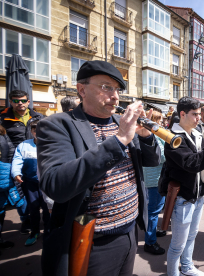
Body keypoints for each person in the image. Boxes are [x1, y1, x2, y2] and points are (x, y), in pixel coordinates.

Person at [37, 60, 161, 276]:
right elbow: (56, 184)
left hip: (130, 230)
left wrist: (147, 137)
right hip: (91, 240)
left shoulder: (120, 121)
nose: (115, 96)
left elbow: (151, 162)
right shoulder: (57, 124)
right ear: (81, 89)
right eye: (106, 87)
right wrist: (120, 138)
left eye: (117, 89)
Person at [159, 97, 204, 276]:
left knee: (191, 235)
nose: (199, 118)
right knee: (178, 243)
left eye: (199, 114)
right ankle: (173, 273)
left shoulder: (196, 133)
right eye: (195, 114)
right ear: (182, 114)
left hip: (198, 194)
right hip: (183, 197)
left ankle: (187, 267)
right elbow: (193, 163)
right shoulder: (172, 137)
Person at [0, 90, 43, 235]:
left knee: (38, 196)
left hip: (34, 158)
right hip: (14, 160)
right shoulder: (3, 118)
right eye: (16, 100)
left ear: (28, 102)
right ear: (10, 101)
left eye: (23, 100)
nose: (20, 103)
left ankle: (41, 221)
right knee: (19, 194)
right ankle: (26, 221)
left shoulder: (38, 117)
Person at [11, 120, 50, 246]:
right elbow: (17, 159)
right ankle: (34, 232)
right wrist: (16, 172)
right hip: (30, 184)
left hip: (46, 184)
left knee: (47, 208)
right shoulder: (24, 145)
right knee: (33, 209)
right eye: (35, 130)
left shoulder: (51, 144)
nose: (37, 133)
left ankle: (49, 232)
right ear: (32, 132)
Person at [142, 110, 167, 255]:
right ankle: (150, 242)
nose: (163, 123)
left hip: (152, 177)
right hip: (155, 179)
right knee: (154, 210)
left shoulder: (148, 134)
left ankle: (153, 232)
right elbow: (161, 156)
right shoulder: (154, 135)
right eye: (161, 120)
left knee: (153, 209)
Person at [0, 125, 16, 253]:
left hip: (3, 175)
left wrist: (10, 169)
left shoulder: (2, 132)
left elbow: (11, 150)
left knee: (1, 210)